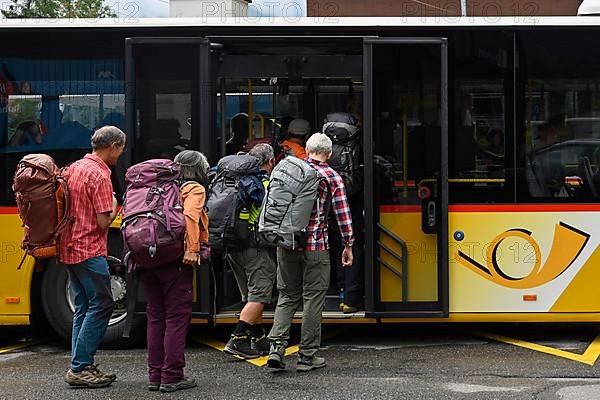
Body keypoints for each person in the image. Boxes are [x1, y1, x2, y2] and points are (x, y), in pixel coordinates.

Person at [267, 133, 354, 372]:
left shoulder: (288, 171)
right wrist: (348, 245)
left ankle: (276, 348)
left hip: (286, 243)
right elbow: (342, 215)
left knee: (286, 296)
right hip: (316, 245)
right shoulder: (332, 176)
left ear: (306, 149)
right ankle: (307, 356)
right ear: (329, 153)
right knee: (313, 299)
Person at [60, 125, 126, 388]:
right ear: (112, 147)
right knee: (102, 304)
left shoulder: (74, 168)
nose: (120, 153)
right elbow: (102, 222)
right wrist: (113, 204)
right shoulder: (100, 175)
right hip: (89, 249)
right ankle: (79, 367)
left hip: (69, 248)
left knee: (84, 306)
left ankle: (81, 363)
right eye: (120, 148)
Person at [140, 150, 210, 393]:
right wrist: (192, 249)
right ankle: (171, 376)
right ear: (199, 169)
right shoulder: (193, 189)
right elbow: (190, 216)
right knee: (176, 318)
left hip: (147, 257)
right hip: (174, 260)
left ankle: (155, 375)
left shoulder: (157, 186)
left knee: (156, 316)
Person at [224, 143, 277, 359]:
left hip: (232, 244)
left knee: (250, 294)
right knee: (260, 296)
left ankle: (260, 337)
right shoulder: (264, 183)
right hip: (255, 246)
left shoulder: (234, 181)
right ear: (271, 161)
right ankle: (237, 339)